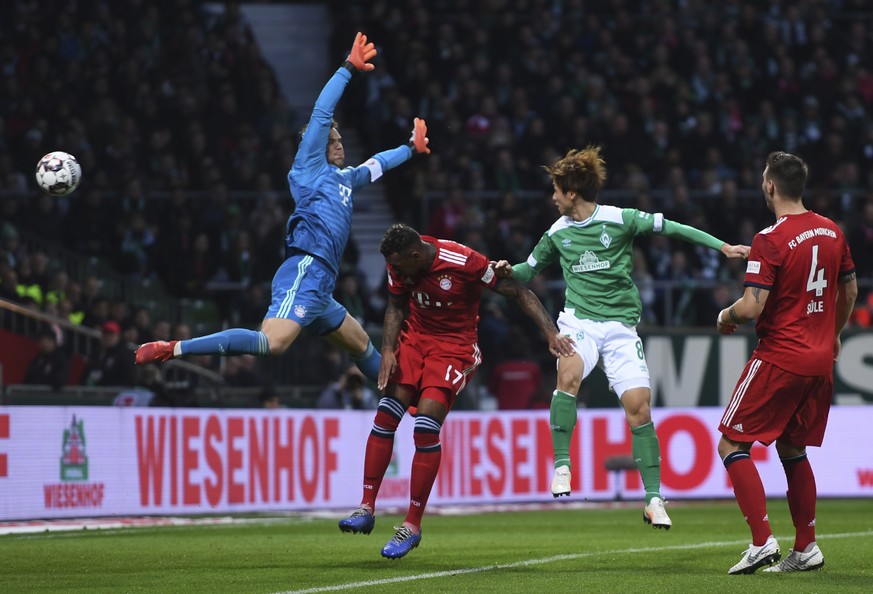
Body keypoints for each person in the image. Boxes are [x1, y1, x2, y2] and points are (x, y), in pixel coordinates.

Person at [134, 32, 431, 383]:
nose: (339, 147)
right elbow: (322, 113)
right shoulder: (308, 170)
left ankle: (399, 399)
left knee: (362, 345)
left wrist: (410, 148)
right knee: (273, 345)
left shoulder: (345, 180)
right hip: (304, 268)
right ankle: (174, 348)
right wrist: (347, 69)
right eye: (332, 142)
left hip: (322, 284)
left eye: (340, 141)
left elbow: (376, 164)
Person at [492, 146, 750, 530]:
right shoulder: (556, 234)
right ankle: (562, 466)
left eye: (557, 190)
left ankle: (653, 499)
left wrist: (723, 247)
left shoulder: (620, 220)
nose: (553, 197)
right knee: (569, 375)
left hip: (620, 328)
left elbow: (675, 227)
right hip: (580, 322)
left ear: (572, 193)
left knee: (640, 408)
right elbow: (527, 272)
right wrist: (504, 269)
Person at [337, 223, 575, 559]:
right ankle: (366, 507)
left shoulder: (465, 262)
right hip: (414, 341)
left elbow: (519, 291)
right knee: (386, 415)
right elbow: (395, 306)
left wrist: (551, 334)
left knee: (425, 428)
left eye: (402, 266)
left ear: (417, 255)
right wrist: (388, 350)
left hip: (453, 348)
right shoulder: (399, 262)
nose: (397, 272)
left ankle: (412, 525)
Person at [715, 152, 857, 574]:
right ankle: (806, 548)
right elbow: (848, 293)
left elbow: (752, 306)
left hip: (781, 356)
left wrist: (725, 316)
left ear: (771, 186)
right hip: (819, 363)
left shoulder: (769, 238)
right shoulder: (833, 231)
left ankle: (761, 543)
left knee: (730, 443)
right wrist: (833, 334)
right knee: (792, 448)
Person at [81, 320, 137, 387]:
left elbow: (129, 380)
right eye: (105, 333)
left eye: (111, 333)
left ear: (117, 336)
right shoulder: (96, 353)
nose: (107, 336)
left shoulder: (125, 355)